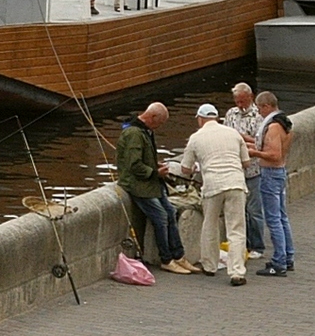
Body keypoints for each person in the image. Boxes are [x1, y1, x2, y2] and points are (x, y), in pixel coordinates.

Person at [170, 103, 252, 284]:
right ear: (216, 117)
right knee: (236, 229)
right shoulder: (233, 134)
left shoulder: (196, 138)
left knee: (210, 225)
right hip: (236, 183)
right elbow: (246, 162)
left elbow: (185, 169)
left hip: (213, 186)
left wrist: (198, 166)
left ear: (200, 119)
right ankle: (237, 271)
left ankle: (209, 265)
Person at [114, 102, 195, 273]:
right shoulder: (134, 134)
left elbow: (141, 158)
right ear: (152, 117)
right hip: (138, 185)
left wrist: (154, 164)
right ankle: (166, 259)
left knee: (171, 212)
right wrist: (155, 172)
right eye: (160, 123)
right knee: (161, 217)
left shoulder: (144, 130)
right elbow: (134, 165)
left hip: (150, 182)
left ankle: (178, 255)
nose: (160, 127)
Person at [219, 82, 267, 258]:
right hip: (234, 169)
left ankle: (257, 246)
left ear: (250, 97)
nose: (240, 105)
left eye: (243, 101)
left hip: (253, 170)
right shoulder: (231, 114)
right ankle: (242, 244)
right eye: (237, 101)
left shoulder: (259, 117)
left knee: (254, 210)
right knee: (238, 211)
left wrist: (241, 138)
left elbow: (262, 143)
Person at [252, 91, 294, 276]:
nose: (259, 112)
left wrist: (254, 154)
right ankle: (288, 256)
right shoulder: (285, 124)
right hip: (280, 172)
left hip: (270, 173)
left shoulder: (273, 127)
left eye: (259, 108)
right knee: (282, 217)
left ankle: (279, 262)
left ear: (266, 106)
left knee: (273, 219)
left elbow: (274, 155)